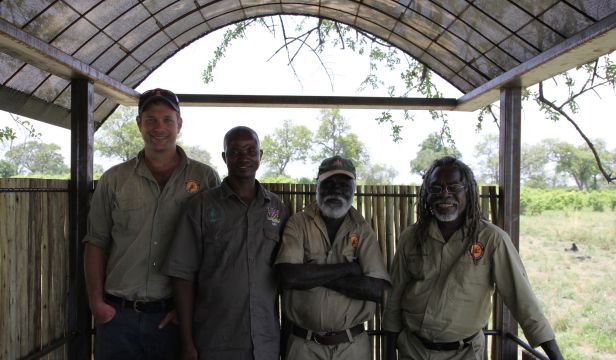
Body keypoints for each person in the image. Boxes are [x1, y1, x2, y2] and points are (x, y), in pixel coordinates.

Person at [83, 88, 221, 359]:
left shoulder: (205, 179)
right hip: (117, 317)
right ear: (139, 124)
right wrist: (97, 303)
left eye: (167, 119)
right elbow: (96, 242)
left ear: (179, 124)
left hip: (174, 319)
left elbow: (214, 249)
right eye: (151, 119)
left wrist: (188, 309)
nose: (159, 127)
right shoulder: (114, 179)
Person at [382, 156, 564, 360]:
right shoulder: (411, 237)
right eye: (436, 188)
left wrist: (556, 356)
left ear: (468, 191)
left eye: (453, 187)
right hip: (413, 351)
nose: (444, 194)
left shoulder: (492, 239)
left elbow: (523, 300)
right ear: (426, 194)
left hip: (465, 353)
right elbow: (394, 298)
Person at [163, 126, 287, 360]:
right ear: (224, 157)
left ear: (261, 155)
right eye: (235, 152)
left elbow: (287, 277)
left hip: (265, 343)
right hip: (215, 341)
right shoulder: (201, 206)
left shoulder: (277, 208)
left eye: (251, 151)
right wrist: (187, 342)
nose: (244, 158)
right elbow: (182, 276)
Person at [275, 155, 390, 360]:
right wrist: (348, 269)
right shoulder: (298, 224)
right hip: (304, 347)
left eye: (344, 184)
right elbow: (289, 277)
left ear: (353, 189)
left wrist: (311, 272)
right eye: (329, 183)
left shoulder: (362, 230)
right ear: (317, 185)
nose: (336, 190)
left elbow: (375, 289)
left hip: (352, 347)